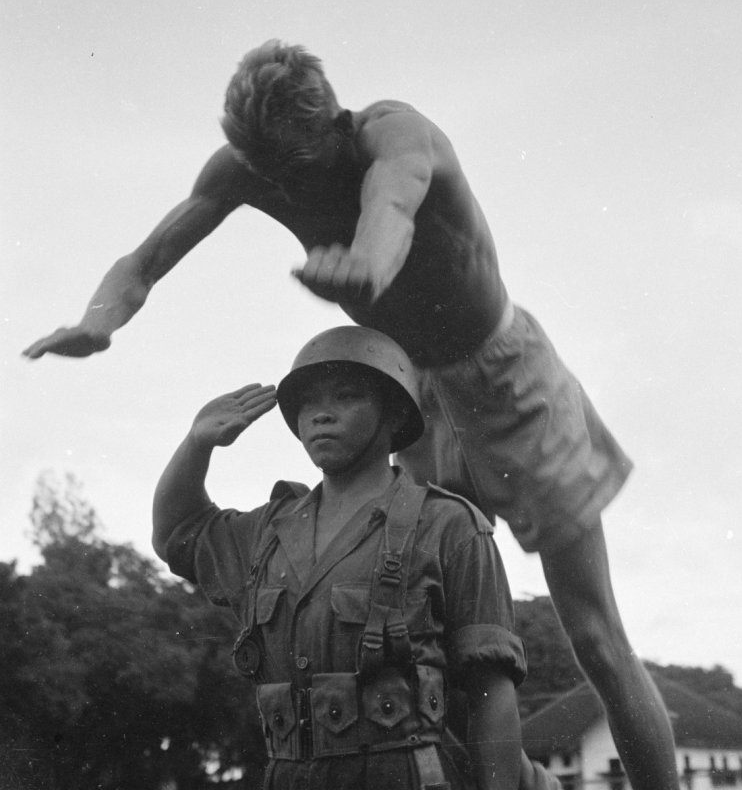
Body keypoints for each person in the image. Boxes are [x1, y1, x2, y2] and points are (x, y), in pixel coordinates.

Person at [28, 40, 679, 790]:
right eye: (272, 179)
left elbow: (390, 208)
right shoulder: (245, 169)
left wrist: (367, 265)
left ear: (337, 126)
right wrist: (99, 322)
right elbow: (142, 262)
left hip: (505, 378)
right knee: (420, 640)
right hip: (410, 399)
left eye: (300, 173)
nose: (287, 191)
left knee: (594, 636)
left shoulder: (397, 134)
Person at [151, 325, 530, 790]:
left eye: (347, 396)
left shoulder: (449, 525)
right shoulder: (269, 531)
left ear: (394, 413)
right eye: (308, 403)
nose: (321, 414)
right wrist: (196, 444)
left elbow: (493, 693)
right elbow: (177, 533)